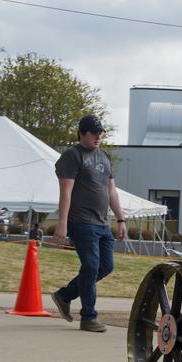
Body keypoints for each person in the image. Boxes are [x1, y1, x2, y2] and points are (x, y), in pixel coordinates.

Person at [51, 115, 126, 332]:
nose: (99, 136)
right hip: (81, 222)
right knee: (91, 266)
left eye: (101, 132)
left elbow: (111, 190)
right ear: (82, 133)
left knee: (106, 266)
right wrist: (61, 223)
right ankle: (89, 317)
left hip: (102, 223)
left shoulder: (103, 156)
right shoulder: (72, 156)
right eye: (94, 133)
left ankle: (64, 295)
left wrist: (120, 219)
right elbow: (66, 192)